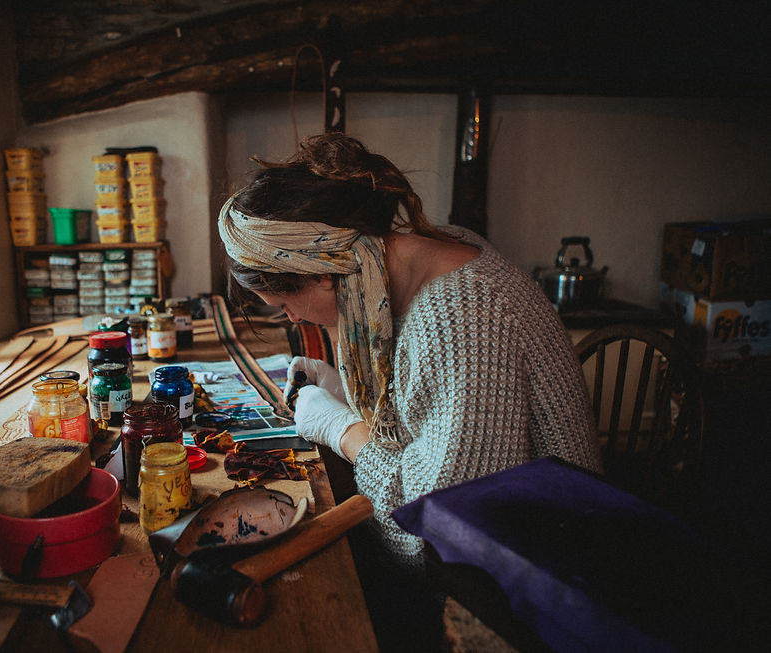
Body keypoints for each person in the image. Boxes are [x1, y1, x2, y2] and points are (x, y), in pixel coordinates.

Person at [218, 133, 603, 648]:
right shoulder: (408, 256)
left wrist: (342, 427)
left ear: (328, 274)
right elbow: (431, 405)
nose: (287, 317)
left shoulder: (463, 313)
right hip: (484, 560)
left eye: (283, 302)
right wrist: (347, 388)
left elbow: (441, 516)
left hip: (525, 590)